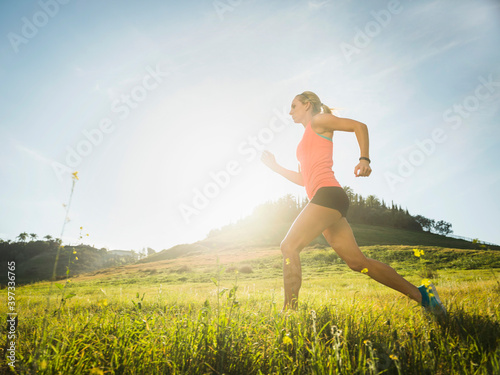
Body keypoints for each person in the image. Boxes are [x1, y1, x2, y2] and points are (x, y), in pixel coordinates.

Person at [260, 91, 446, 317]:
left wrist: (364, 159)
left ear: (307, 105)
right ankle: (423, 296)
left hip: (328, 195)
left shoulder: (319, 121)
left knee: (288, 246)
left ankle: (289, 313)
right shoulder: (302, 143)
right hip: (325, 199)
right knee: (357, 262)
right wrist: (276, 168)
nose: (289, 111)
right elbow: (303, 180)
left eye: (293, 106)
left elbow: (360, 126)